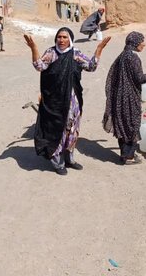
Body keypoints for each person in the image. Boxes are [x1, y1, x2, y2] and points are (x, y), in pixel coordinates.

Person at [25, 28, 111, 175]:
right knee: (57, 129)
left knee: (72, 129)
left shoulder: (75, 53)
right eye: (59, 37)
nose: (61, 40)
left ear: (70, 39)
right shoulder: (51, 53)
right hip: (55, 101)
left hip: (72, 100)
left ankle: (69, 159)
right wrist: (34, 48)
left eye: (65, 37)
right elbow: (39, 66)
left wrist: (99, 49)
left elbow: (91, 66)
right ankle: (58, 163)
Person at [103, 32, 146, 164]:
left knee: (123, 123)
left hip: (120, 95)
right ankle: (129, 157)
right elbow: (139, 78)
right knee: (132, 124)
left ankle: (124, 154)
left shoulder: (122, 55)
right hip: (129, 96)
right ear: (135, 42)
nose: (144, 44)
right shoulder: (133, 58)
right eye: (142, 41)